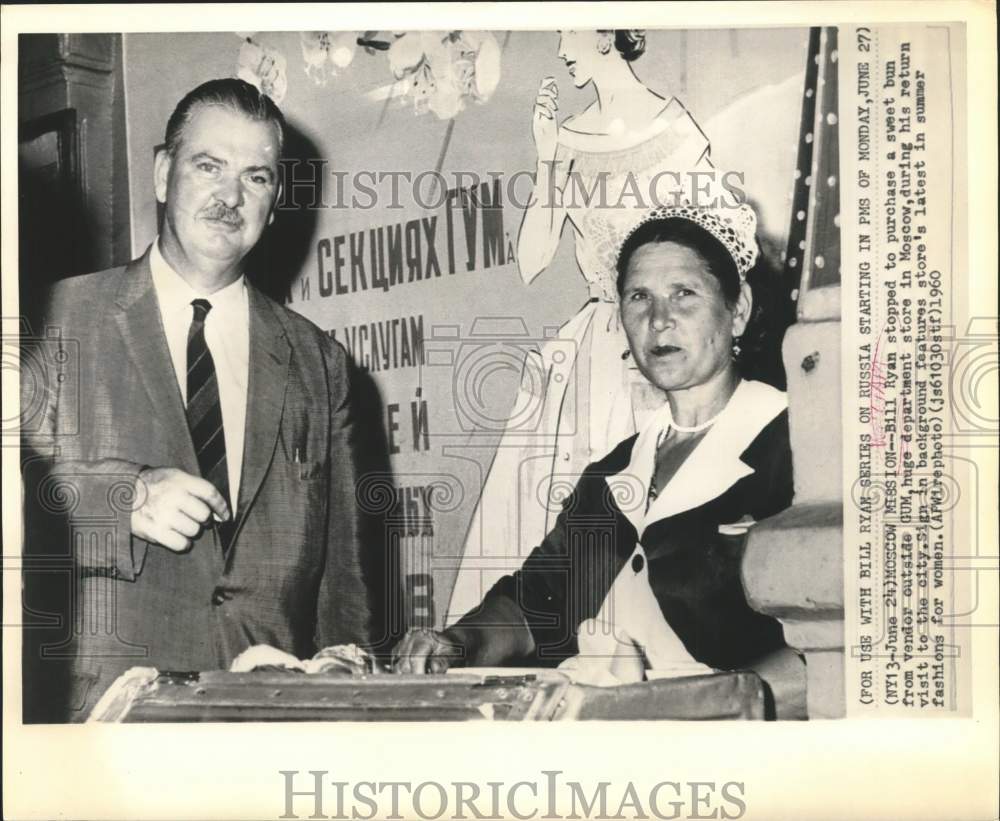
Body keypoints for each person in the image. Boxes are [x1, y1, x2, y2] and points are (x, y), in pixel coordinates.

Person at [20, 78, 371, 722]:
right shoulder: (52, 320)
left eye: (257, 177)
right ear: (162, 173)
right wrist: (121, 496)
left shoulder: (321, 363)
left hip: (268, 726)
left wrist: (344, 670)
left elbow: (345, 587)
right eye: (208, 166)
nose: (230, 197)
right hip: (99, 729)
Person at [395, 203, 807, 718]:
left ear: (738, 308)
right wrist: (456, 643)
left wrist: (699, 707)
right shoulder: (613, 472)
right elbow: (535, 602)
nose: (659, 320)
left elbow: (835, 647)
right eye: (639, 297)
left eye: (684, 293)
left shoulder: (797, 445)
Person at [448, 30, 722, 621]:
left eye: (570, 32)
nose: (563, 48)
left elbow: (721, 261)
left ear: (605, 31)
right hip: (588, 357)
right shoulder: (567, 139)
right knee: (560, 538)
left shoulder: (674, 131)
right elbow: (532, 259)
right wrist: (548, 158)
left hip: (658, 350)